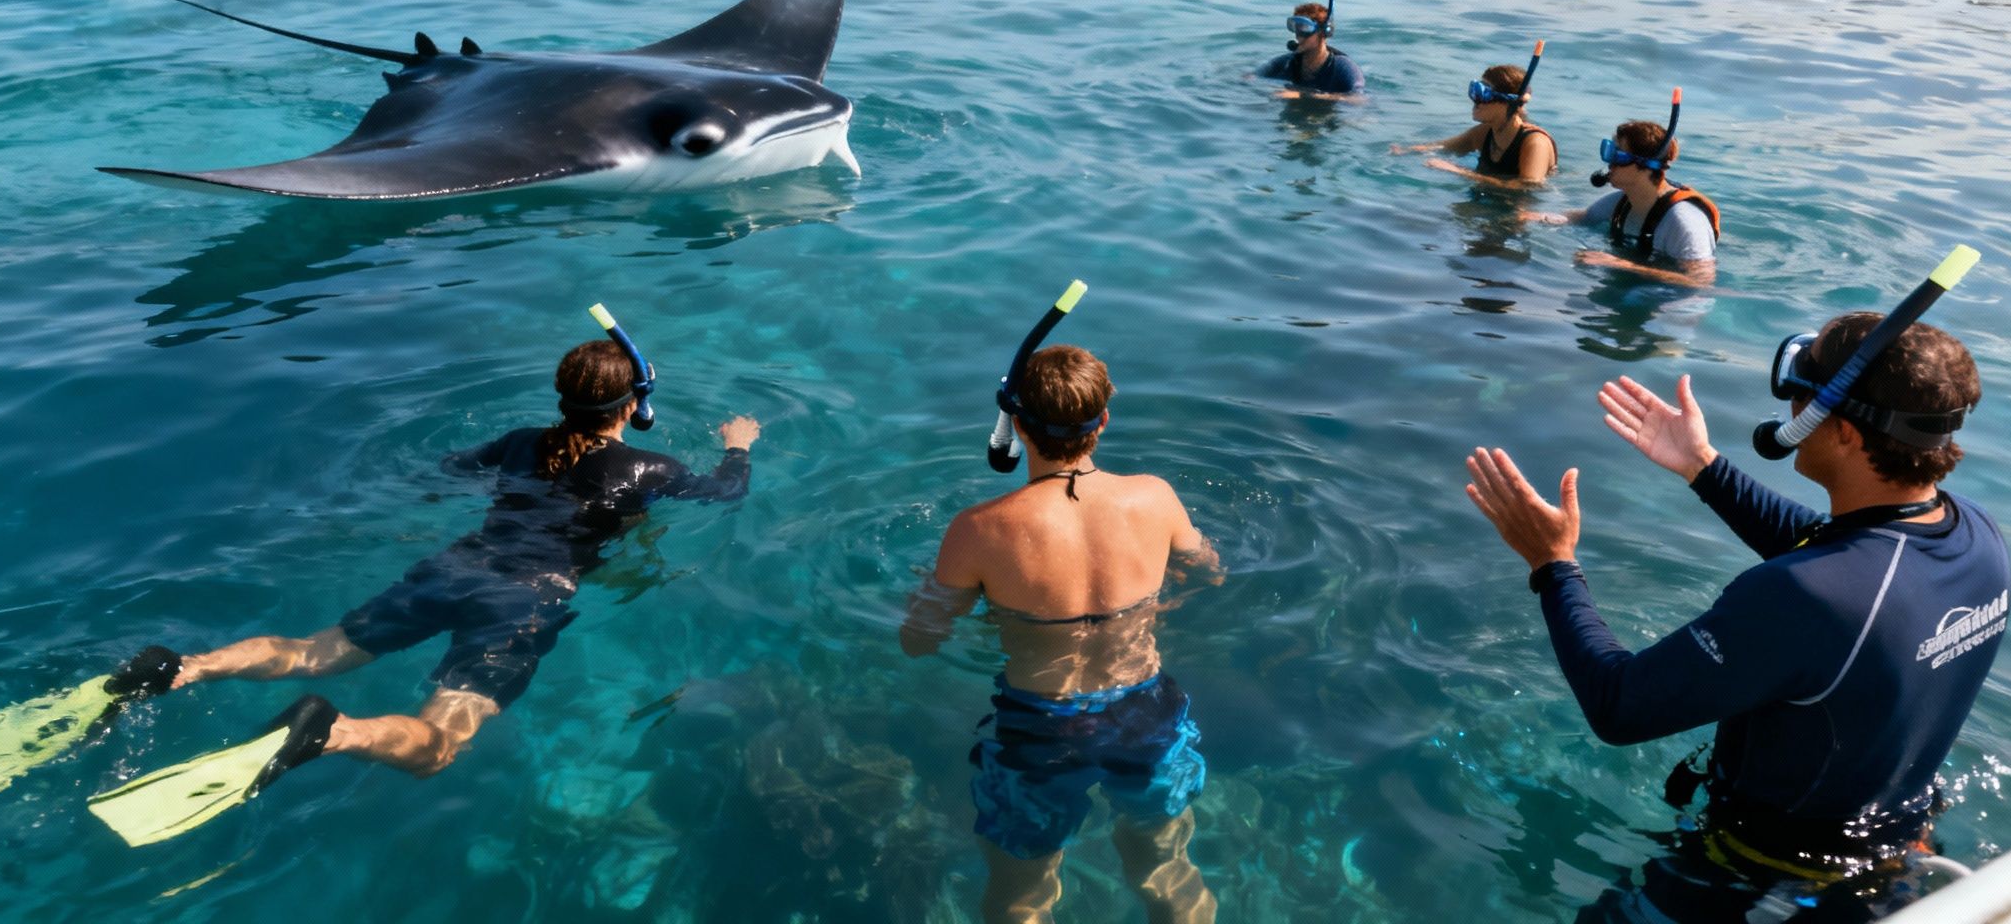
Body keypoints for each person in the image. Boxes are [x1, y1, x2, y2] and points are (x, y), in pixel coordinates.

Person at [75, 332, 758, 846]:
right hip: (524, 599)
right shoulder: (651, 468)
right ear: (633, 405)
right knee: (438, 747)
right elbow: (725, 494)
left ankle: (181, 668)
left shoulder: (521, 442)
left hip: (454, 565)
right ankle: (333, 732)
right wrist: (739, 445)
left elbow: (443, 471)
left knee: (316, 650)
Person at [1462, 306, 2006, 919]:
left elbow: (1619, 706)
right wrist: (1703, 467)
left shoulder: (1807, 598)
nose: (1791, 405)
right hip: (1891, 841)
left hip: (1763, 870)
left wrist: (1553, 565)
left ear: (1847, 433)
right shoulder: (1974, 536)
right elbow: (1833, 551)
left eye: (1802, 388)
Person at [902, 344, 1223, 924]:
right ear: (1103, 420)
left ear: (1017, 425)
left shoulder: (978, 529)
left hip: (1040, 729)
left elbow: (919, 640)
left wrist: (927, 593)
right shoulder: (1155, 497)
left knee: (1021, 894)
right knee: (1166, 871)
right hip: (1146, 712)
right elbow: (1212, 571)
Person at [1525, 109, 1717, 287]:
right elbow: (1583, 217)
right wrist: (1537, 217)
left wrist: (1622, 265)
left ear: (1645, 166)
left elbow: (1700, 282)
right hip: (1637, 284)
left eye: (1618, 156)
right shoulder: (1621, 202)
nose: (1609, 163)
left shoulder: (1683, 221)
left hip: (1674, 302)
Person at [1395, 62, 1558, 186]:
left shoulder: (1535, 143)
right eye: (1474, 91)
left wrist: (1460, 172)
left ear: (1507, 103)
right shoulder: (1484, 133)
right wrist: (1405, 151)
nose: (1475, 100)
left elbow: (1528, 188)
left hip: (1521, 217)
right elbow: (1443, 148)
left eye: (1484, 95)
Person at [1256, 0, 1364, 99]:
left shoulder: (1343, 68)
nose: (1298, 36)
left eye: (1305, 30)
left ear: (1323, 33)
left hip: (1324, 114)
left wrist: (1303, 95)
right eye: (1296, 28)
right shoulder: (1288, 63)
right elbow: (1251, 77)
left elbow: (1358, 100)